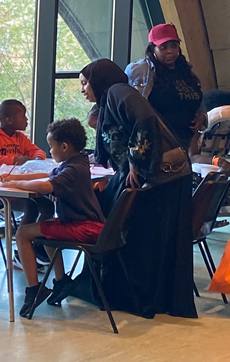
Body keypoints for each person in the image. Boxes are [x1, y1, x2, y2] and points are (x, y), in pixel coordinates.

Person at [80, 59, 197, 319]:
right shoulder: (112, 97)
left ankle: (141, 297)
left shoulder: (118, 91)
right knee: (147, 239)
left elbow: (145, 119)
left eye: (85, 82)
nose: (83, 89)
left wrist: (135, 160)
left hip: (160, 177)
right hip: (159, 177)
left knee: (143, 236)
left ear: (99, 80)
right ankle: (147, 296)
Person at [0, 118, 106, 318]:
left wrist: (14, 186)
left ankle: (33, 289)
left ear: (64, 146)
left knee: (23, 233)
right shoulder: (77, 162)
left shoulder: (72, 170)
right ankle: (61, 280)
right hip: (86, 223)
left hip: (85, 227)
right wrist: (16, 178)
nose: (49, 152)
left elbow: (44, 186)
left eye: (51, 147)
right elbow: (47, 175)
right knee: (47, 228)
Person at [0, 99, 53, 266]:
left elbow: (38, 151)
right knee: (31, 207)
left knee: (48, 206)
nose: (26, 120)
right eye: (23, 116)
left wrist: (35, 159)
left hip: (19, 186)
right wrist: (14, 159)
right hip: (0, 189)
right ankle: (20, 253)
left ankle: (37, 245)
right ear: (9, 120)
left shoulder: (20, 137)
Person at [123, 23, 206, 151]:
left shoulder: (186, 70)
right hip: (157, 143)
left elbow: (198, 98)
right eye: (163, 47)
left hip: (187, 141)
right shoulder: (140, 70)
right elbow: (129, 105)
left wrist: (201, 116)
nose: (170, 51)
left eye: (174, 46)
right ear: (152, 49)